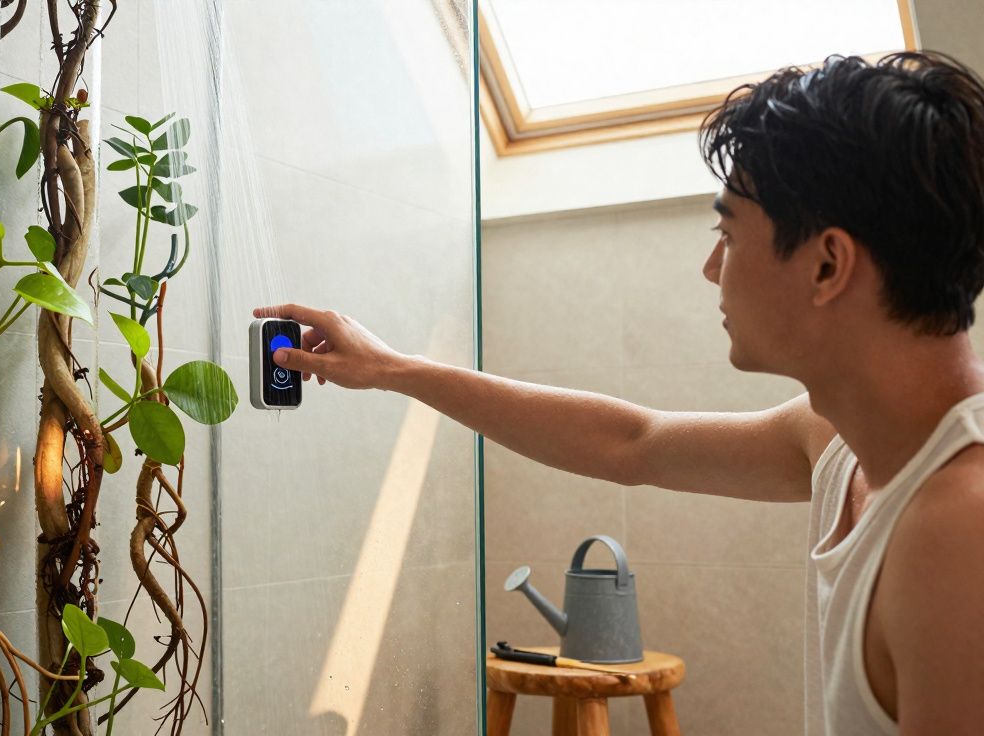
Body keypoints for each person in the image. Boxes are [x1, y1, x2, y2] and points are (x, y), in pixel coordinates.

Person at [255, 51, 984, 735]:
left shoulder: (958, 528)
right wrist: (393, 370)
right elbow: (631, 442)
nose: (710, 268)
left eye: (727, 235)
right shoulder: (839, 445)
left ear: (827, 266)